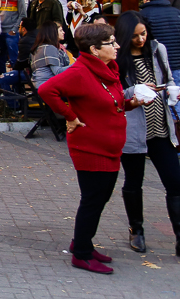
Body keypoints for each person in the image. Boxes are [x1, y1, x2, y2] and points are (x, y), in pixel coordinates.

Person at [39, 23, 141, 274]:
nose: (117, 46)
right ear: (95, 49)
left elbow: (109, 103)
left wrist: (131, 103)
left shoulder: (107, 71)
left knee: (101, 199)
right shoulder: (80, 72)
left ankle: (82, 242)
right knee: (93, 201)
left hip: (110, 147)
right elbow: (46, 89)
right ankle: (81, 254)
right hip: (90, 148)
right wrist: (69, 116)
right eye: (111, 43)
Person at [114, 11, 180, 257]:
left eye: (143, 34)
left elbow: (169, 78)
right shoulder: (117, 57)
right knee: (134, 182)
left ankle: (179, 236)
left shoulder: (157, 49)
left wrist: (171, 90)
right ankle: (137, 230)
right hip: (133, 131)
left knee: (175, 182)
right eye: (134, 37)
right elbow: (115, 93)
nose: (141, 40)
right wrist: (135, 89)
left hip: (161, 129)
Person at [140, 0, 180, 97]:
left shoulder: (143, 15)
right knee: (175, 99)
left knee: (158, 100)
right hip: (177, 64)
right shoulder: (176, 12)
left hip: (156, 65)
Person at [0, 0, 27, 74]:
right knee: (0, 59)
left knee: (14, 59)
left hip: (11, 32)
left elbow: (23, 15)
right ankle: (1, 83)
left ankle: (16, 84)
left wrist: (14, 29)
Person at [30, 21, 72, 88]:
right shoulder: (48, 48)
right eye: (61, 30)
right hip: (47, 87)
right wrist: (78, 64)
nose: (64, 32)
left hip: (41, 85)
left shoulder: (40, 47)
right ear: (53, 33)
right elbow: (58, 72)